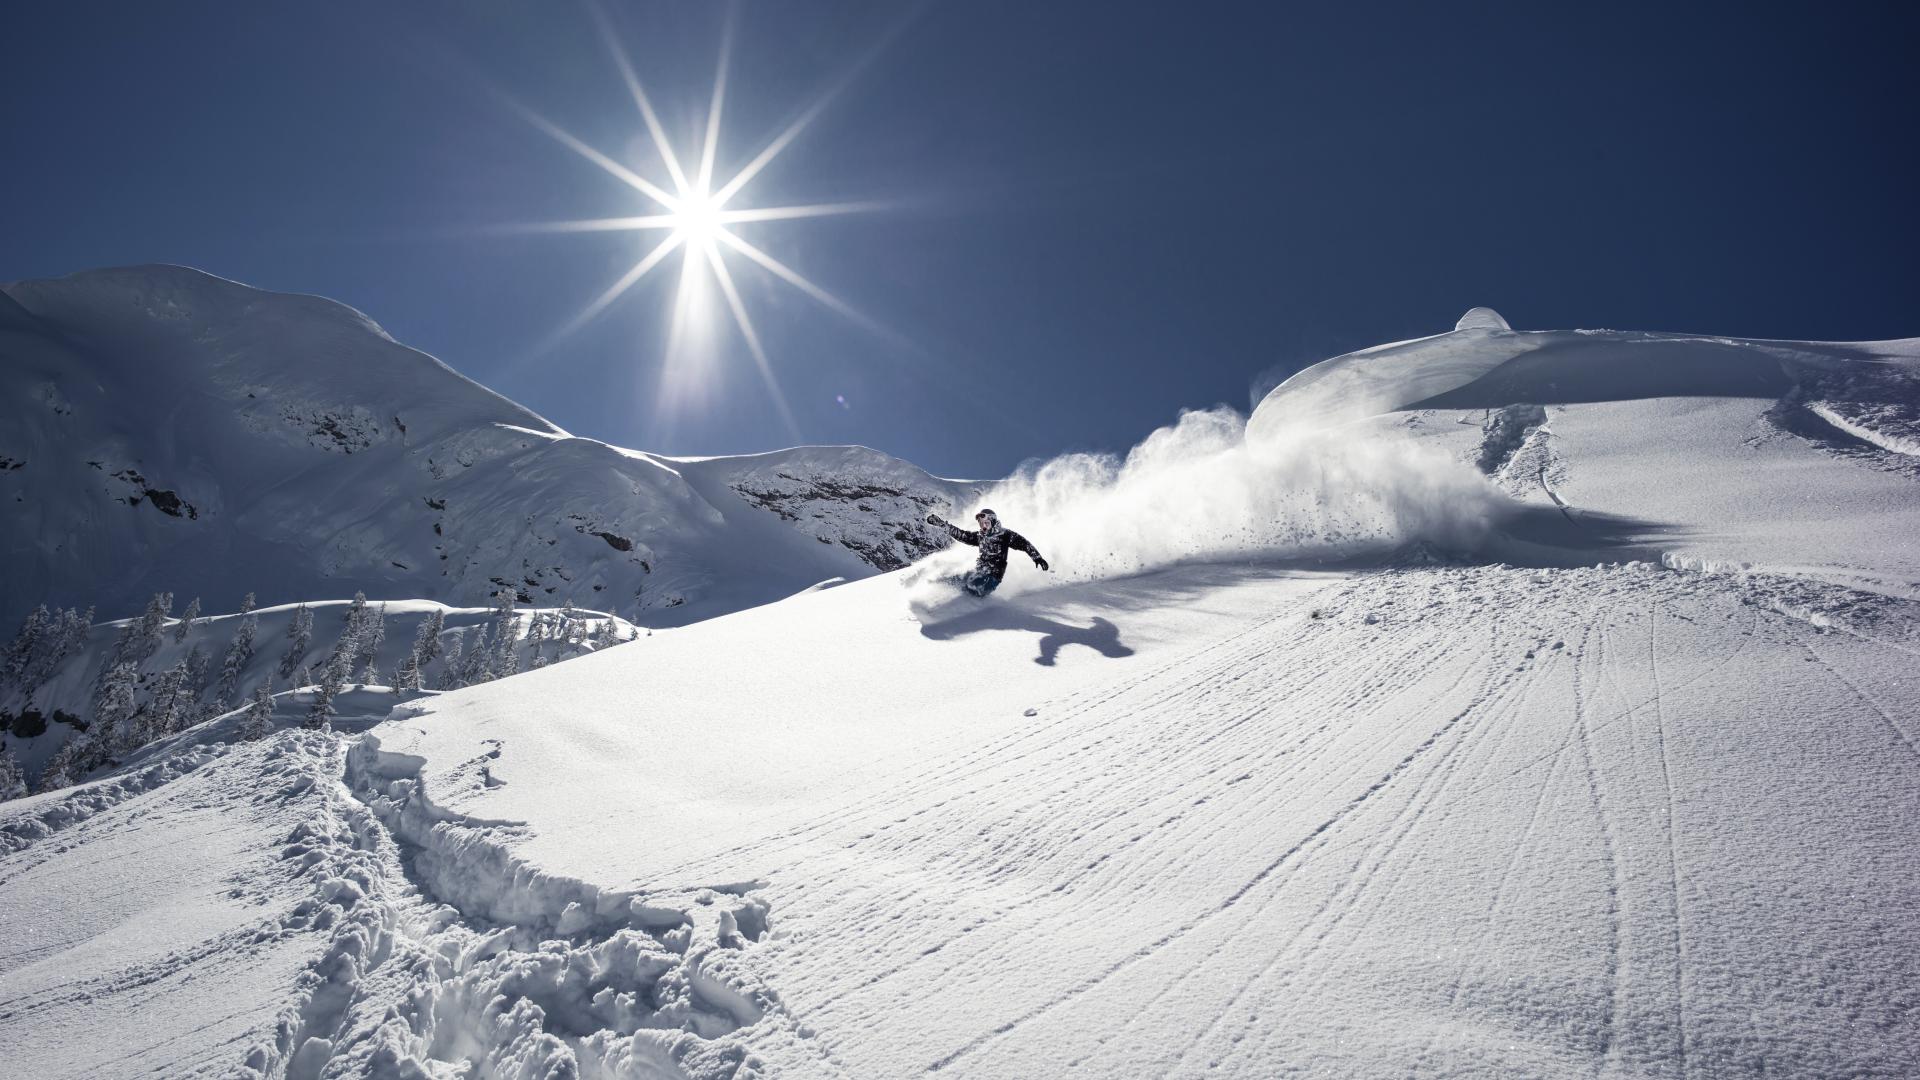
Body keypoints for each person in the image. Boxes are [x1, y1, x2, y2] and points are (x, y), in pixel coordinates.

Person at [926, 508, 1049, 597]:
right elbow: (961, 535)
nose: (983, 527)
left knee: (972, 588)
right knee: (955, 581)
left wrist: (1037, 557)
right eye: (981, 524)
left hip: (992, 577)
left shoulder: (1005, 535)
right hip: (979, 571)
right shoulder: (980, 536)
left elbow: (1024, 544)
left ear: (993, 522)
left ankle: (964, 609)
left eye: (986, 523)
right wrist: (941, 524)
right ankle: (934, 593)